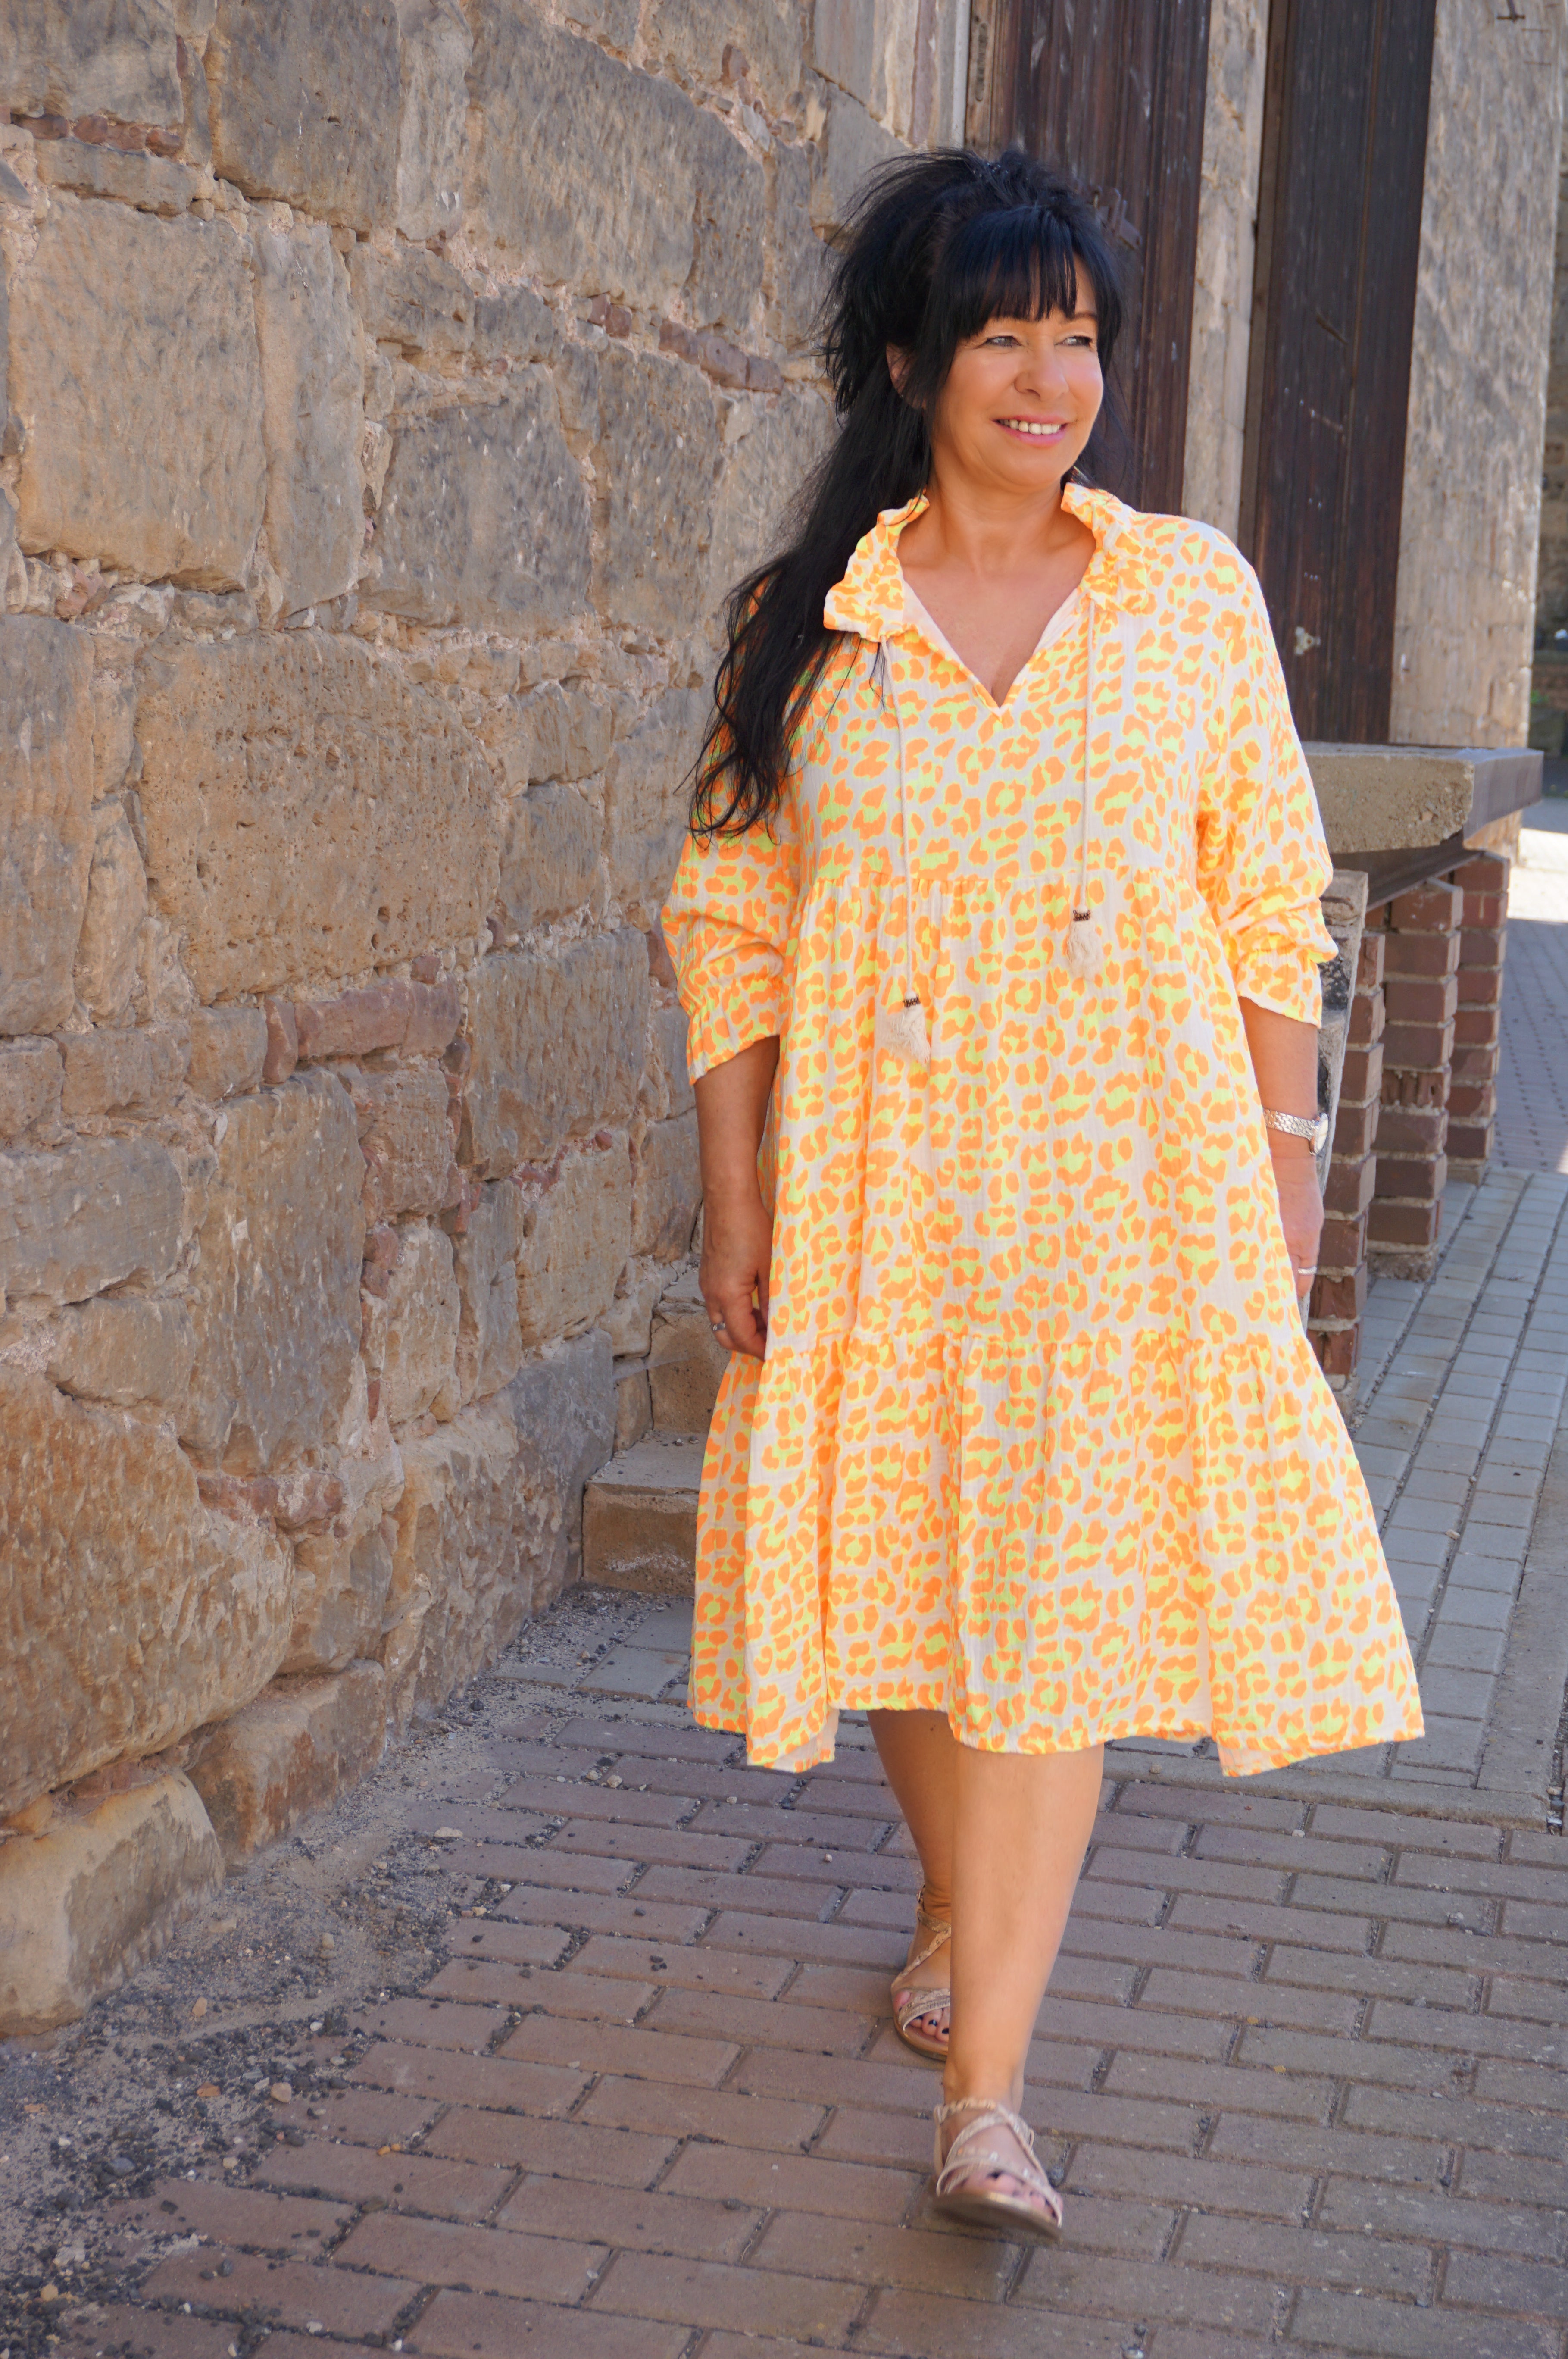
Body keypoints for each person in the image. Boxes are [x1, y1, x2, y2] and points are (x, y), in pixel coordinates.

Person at [662, 148, 1422, 2242]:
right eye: (1000, 333)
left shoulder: (1187, 598)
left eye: (1076, 336)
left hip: (1126, 1194)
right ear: (911, 363)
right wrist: (731, 1195)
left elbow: (1268, 899)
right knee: (910, 1587)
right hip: (883, 1196)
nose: (1046, 377)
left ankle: (984, 2094)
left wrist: (1285, 1174)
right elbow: (730, 920)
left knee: (1058, 1625)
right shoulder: (804, 628)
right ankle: (953, 1899)